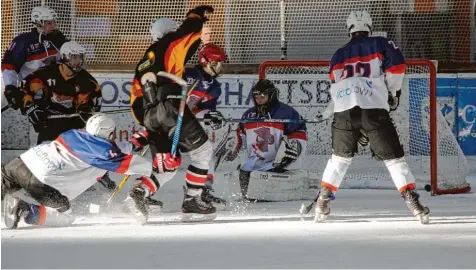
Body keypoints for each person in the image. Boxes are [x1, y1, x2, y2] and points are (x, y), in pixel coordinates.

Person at [314, 11, 430, 223]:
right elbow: (397, 67)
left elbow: (336, 83)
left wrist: (331, 109)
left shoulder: (338, 54)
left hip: (344, 111)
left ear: (348, 28)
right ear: (369, 25)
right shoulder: (381, 43)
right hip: (373, 107)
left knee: (339, 159)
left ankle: (322, 201)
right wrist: (392, 93)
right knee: (394, 160)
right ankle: (413, 203)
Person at [128, 5, 218, 221]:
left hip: (149, 116)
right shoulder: (169, 44)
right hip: (170, 105)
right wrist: (198, 15)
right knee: (203, 151)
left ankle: (139, 194)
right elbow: (187, 32)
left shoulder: (143, 62)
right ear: (169, 33)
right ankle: (193, 200)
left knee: (168, 164)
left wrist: (147, 126)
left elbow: (136, 102)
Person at [1, 114, 155, 229]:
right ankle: (27, 210)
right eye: (113, 133)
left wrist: (136, 143)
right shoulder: (102, 152)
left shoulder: (77, 133)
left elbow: (110, 148)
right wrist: (156, 167)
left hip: (21, 162)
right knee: (65, 218)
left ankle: (12, 193)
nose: (114, 135)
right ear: (108, 133)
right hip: (39, 181)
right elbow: (127, 164)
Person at [18, 41, 114, 190]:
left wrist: (86, 111)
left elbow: (92, 106)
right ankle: (38, 185)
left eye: (80, 57)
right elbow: (24, 89)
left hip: (73, 125)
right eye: (75, 57)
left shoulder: (87, 82)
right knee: (45, 157)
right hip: (48, 122)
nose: (78, 61)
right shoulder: (46, 74)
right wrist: (31, 107)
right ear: (64, 57)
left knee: (83, 151)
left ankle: (94, 177)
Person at [224, 79, 308, 201]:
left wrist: (294, 146)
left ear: (271, 95)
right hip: (255, 160)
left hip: (277, 162)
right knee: (244, 168)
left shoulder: (286, 112)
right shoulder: (248, 115)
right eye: (256, 96)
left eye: (263, 96)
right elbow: (240, 134)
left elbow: (299, 132)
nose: (259, 99)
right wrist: (233, 147)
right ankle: (246, 195)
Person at [184, 43, 227, 207]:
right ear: (206, 61)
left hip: (186, 121)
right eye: (217, 63)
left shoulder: (214, 87)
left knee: (208, 150)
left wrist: (210, 116)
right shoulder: (187, 74)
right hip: (168, 118)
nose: (220, 67)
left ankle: (204, 188)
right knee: (165, 158)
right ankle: (142, 191)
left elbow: (203, 110)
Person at [2, 5, 68, 111]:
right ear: (38, 23)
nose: (54, 25)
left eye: (54, 22)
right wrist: (10, 88)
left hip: (56, 95)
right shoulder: (23, 41)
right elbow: (9, 66)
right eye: (49, 23)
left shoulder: (59, 39)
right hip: (32, 95)